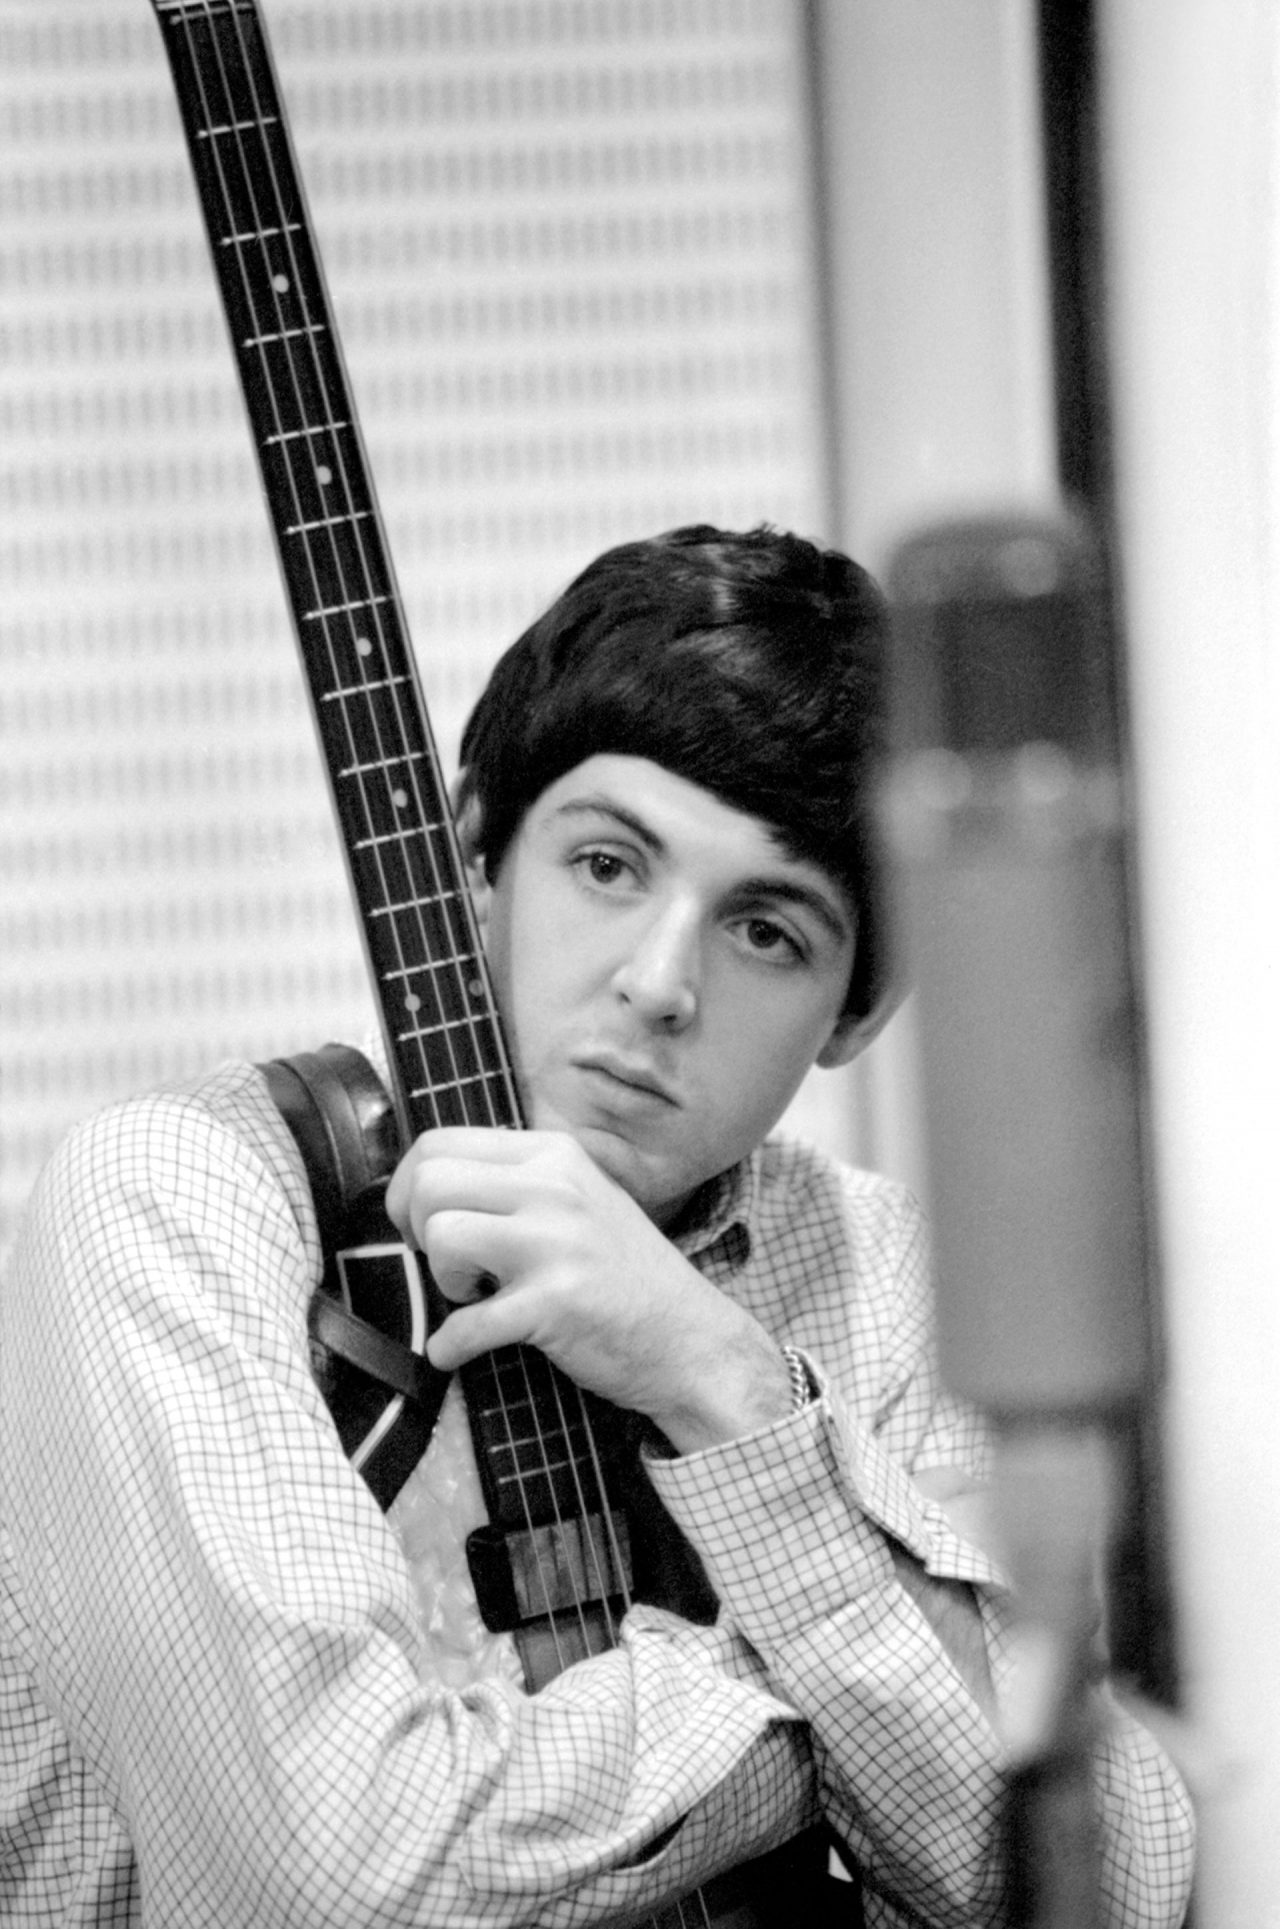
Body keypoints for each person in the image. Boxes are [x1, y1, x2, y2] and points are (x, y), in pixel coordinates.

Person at [0, 525, 1192, 1927]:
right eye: (611, 864)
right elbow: (335, 1881)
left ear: (858, 1013)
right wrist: (841, 1694)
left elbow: (1115, 1883)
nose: (659, 982)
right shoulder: (179, 1201)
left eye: (768, 930)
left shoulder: (886, 1280)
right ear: (470, 861)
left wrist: (725, 1382)